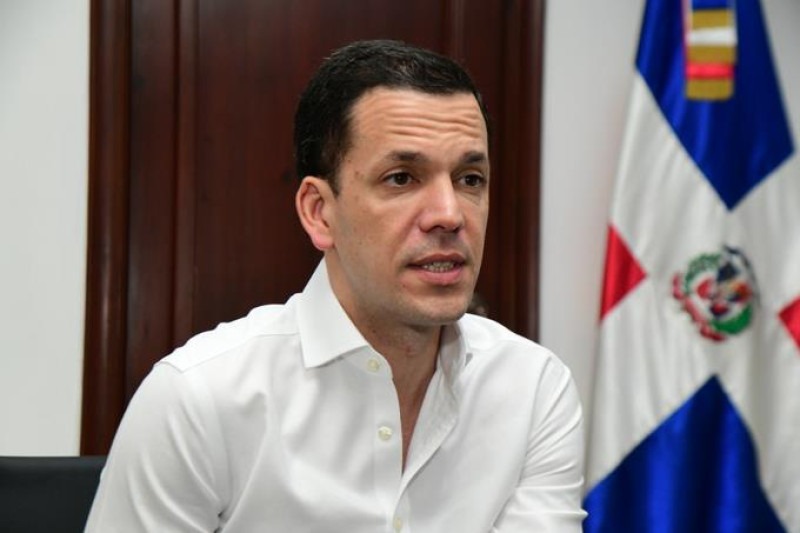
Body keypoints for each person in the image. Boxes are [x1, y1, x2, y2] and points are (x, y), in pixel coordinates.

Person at [86, 39, 586, 532]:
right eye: (401, 178)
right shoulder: (197, 398)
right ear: (319, 212)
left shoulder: (533, 389)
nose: (449, 215)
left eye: (470, 179)